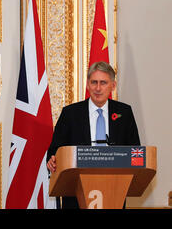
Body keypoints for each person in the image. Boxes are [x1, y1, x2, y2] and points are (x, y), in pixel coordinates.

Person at [46, 61, 140, 208]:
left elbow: (135, 150)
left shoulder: (124, 112)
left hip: (115, 189)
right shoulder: (70, 113)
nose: (98, 88)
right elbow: (54, 149)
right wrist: (52, 159)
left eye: (103, 83)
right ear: (87, 85)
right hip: (75, 194)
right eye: (94, 82)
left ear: (112, 86)